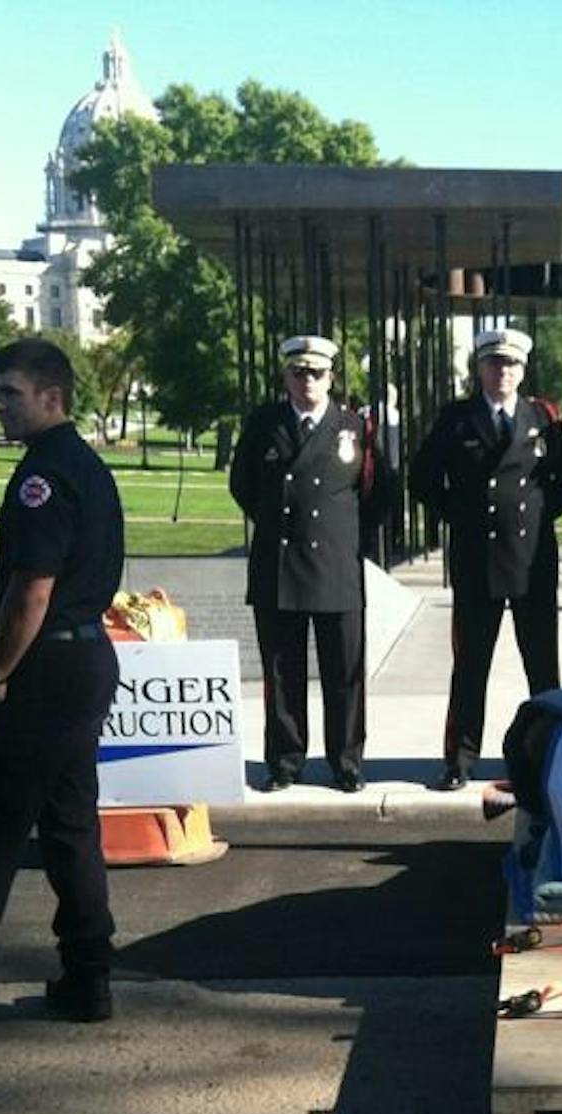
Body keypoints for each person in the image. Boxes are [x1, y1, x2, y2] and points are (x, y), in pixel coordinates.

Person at [0, 337, 125, 1024]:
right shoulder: (84, 465)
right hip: (83, 662)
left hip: (44, 665)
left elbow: (32, 590)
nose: (1, 406)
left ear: (51, 396)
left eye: (11, 393)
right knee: (69, 825)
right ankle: (89, 974)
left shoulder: (42, 477)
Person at [411, 326, 562, 791]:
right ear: (480, 368)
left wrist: (539, 516)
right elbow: (422, 478)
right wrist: (461, 516)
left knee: (542, 664)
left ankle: (550, 753)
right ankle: (460, 760)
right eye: (493, 363)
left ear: (522, 370)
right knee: (470, 665)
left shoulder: (543, 418)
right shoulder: (457, 419)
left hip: (531, 559)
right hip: (477, 559)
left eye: (510, 364)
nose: (502, 371)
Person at [228, 334, 384, 792]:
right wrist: (279, 523)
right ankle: (285, 759)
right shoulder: (264, 424)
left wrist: (343, 536)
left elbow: (378, 494)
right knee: (281, 671)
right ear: (286, 377)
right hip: (279, 563)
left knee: (344, 672)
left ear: (331, 377)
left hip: (336, 565)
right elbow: (243, 484)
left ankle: (347, 761)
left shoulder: (355, 427)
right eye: (298, 372)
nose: (307, 380)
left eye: (316, 372)